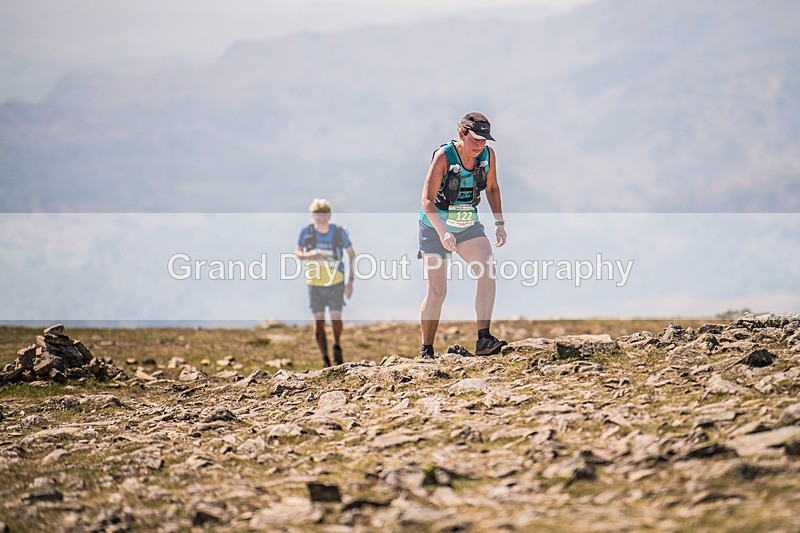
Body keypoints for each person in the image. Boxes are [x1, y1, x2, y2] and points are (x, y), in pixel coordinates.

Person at [418, 112, 508, 359]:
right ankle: (426, 349)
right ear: (462, 134)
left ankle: (484, 339)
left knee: (487, 271)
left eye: (484, 140)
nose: (480, 145)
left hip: (467, 223)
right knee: (437, 291)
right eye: (476, 139)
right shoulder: (444, 157)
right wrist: (443, 232)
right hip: (435, 226)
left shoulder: (488, 156)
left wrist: (499, 223)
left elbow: (492, 187)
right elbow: (427, 201)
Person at [295, 198, 356, 367]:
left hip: (336, 281)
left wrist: (350, 282)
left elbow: (352, 255)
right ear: (312, 216)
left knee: (336, 319)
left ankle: (336, 345)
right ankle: (325, 360)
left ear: (329, 215)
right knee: (318, 322)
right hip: (314, 282)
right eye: (316, 214)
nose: (320, 218)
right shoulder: (306, 233)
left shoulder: (338, 232)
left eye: (323, 214)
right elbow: (297, 252)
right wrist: (310, 256)